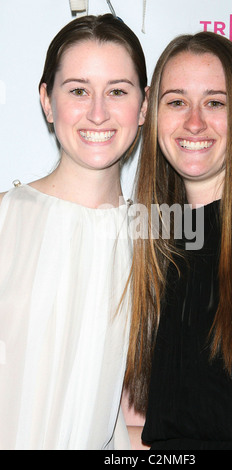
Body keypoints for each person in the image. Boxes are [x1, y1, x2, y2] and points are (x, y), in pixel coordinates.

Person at [124, 31, 232, 450]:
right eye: (177, 101)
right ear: (150, 112)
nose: (195, 122)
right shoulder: (149, 242)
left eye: (215, 103)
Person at [0, 14, 147, 450]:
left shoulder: (159, 243)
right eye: (78, 90)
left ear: (143, 106)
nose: (97, 112)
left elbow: (141, 421)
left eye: (117, 91)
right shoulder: (5, 221)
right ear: (47, 101)